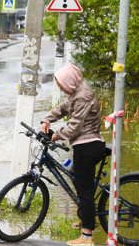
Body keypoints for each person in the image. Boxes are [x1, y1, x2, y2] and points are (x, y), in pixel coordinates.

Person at [40, 64, 104, 246]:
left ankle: (87, 237)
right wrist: (47, 119)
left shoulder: (83, 96)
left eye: (61, 85)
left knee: (84, 191)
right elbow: (62, 108)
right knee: (78, 178)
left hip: (88, 146)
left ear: (69, 81)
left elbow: (74, 126)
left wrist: (56, 135)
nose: (61, 88)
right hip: (86, 146)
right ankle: (88, 217)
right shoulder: (76, 93)